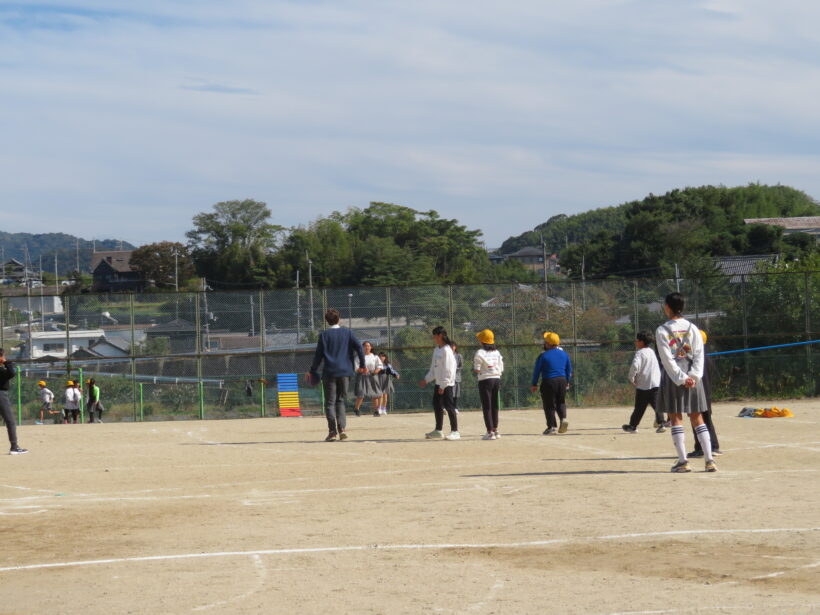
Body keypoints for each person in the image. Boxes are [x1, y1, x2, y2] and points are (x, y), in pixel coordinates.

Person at [655, 292, 716, 473]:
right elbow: (699, 355)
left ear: (668, 307)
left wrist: (681, 378)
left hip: (674, 377)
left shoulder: (662, 330)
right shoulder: (693, 328)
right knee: (697, 417)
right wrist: (694, 377)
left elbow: (666, 359)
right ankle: (709, 460)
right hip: (693, 375)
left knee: (676, 418)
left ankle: (683, 461)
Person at [308, 308, 366, 442]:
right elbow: (359, 347)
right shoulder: (348, 332)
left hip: (330, 372)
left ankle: (332, 432)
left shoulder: (324, 335)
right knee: (340, 400)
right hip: (345, 372)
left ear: (326, 321)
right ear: (338, 319)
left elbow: (318, 355)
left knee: (329, 403)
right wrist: (362, 364)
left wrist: (313, 370)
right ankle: (342, 429)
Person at [419, 326, 459, 440]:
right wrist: (426, 379)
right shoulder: (437, 350)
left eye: (434, 335)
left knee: (450, 407)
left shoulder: (447, 350)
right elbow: (433, 368)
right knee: (437, 405)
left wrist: (443, 385)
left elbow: (450, 370)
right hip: (439, 383)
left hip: (447, 384)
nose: (433, 338)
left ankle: (455, 431)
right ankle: (438, 430)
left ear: (440, 336)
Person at [622, 331, 664, 434]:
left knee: (639, 407)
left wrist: (631, 377)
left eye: (637, 340)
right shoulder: (651, 351)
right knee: (656, 404)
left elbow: (635, 366)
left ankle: (633, 426)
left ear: (641, 342)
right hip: (655, 383)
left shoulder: (640, 353)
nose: (636, 342)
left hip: (643, 385)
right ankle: (661, 423)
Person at [531, 331, 572, 435]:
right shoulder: (564, 354)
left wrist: (534, 383)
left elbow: (537, 370)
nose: (544, 343)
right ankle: (563, 419)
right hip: (562, 380)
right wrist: (567, 381)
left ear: (548, 344)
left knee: (549, 405)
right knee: (561, 402)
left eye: (545, 342)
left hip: (549, 381)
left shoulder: (543, 356)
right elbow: (569, 369)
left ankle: (552, 427)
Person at [689, 329, 722, 457]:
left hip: (697, 393)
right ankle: (713, 446)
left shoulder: (695, 358)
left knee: (696, 419)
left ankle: (700, 447)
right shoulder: (707, 357)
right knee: (707, 420)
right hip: (707, 393)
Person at [473, 329, 504, 440]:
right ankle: (495, 430)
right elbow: (501, 367)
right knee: (495, 405)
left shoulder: (479, 353)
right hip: (496, 379)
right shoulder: (497, 352)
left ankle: (489, 431)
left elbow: (477, 369)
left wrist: (477, 370)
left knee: (487, 406)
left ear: (482, 341)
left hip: (485, 380)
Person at [0, 348, 28, 454]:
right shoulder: (1, 370)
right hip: (1, 395)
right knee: (10, 421)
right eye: (3, 356)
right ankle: (14, 447)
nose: (5, 358)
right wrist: (7, 363)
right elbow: (12, 373)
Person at [353, 341, 384, 417]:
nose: (367, 347)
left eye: (368, 346)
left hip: (373, 376)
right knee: (361, 395)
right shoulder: (358, 357)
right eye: (365, 346)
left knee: (375, 394)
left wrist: (375, 371)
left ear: (371, 347)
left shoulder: (375, 357)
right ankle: (356, 409)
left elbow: (379, 366)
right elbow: (355, 368)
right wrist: (362, 370)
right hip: (362, 376)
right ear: (362, 348)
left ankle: (376, 411)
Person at [451, 343, 463, 414]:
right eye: (450, 346)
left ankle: (455, 407)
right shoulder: (447, 355)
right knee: (450, 393)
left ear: (455, 347)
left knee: (456, 393)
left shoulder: (459, 356)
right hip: (448, 378)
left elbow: (461, 366)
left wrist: (455, 369)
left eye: (453, 346)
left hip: (456, 377)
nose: (452, 347)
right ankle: (448, 407)